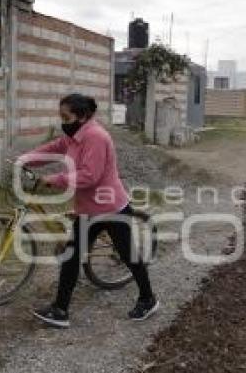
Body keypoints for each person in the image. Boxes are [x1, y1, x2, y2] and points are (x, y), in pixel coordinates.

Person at [17, 94, 157, 329]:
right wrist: (26, 159)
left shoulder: (96, 137)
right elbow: (54, 148)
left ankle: (148, 299)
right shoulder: (74, 136)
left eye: (66, 117)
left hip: (110, 207)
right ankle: (60, 310)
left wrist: (55, 179)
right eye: (61, 117)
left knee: (128, 256)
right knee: (71, 256)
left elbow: (89, 175)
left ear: (82, 116)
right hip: (87, 209)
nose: (63, 121)